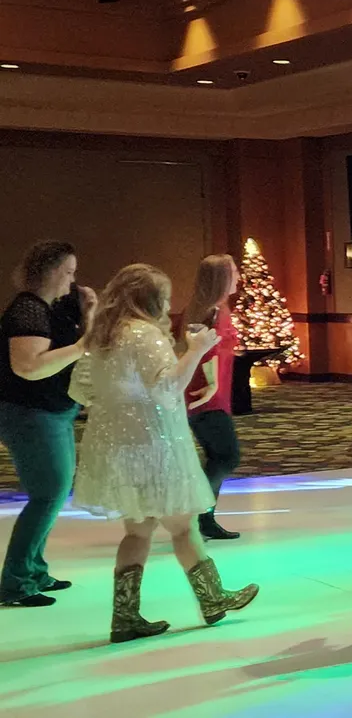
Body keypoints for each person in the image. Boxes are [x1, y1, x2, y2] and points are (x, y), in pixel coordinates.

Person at [69, 264, 258, 643]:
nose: (169, 304)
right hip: (153, 442)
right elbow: (168, 389)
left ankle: (126, 616)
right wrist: (197, 350)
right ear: (150, 300)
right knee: (182, 524)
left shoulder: (102, 336)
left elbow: (80, 391)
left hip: (115, 445)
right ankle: (213, 599)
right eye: (165, 298)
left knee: (137, 531)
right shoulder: (144, 335)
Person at [0, 241, 95, 607]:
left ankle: (34, 570)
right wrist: (82, 346)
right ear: (53, 271)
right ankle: (16, 580)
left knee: (52, 493)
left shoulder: (47, 309)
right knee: (48, 494)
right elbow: (28, 366)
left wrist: (89, 315)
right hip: (29, 413)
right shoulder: (27, 310)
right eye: (69, 272)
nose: (73, 280)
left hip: (50, 411)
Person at [177, 254, 243, 540]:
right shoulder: (214, 312)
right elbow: (208, 350)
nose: (239, 276)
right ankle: (198, 514)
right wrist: (213, 383)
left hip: (208, 394)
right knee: (226, 455)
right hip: (206, 396)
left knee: (220, 455)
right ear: (221, 278)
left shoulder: (206, 309)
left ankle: (203, 517)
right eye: (234, 272)